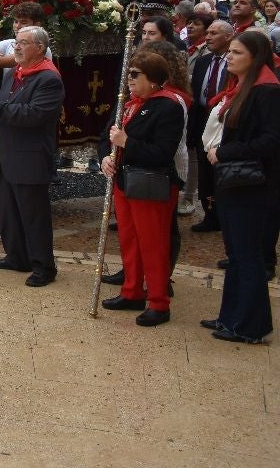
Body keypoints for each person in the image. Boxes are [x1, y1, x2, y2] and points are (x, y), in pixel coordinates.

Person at [95, 51, 187, 324]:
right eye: (128, 73)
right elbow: (105, 136)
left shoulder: (168, 105)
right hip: (124, 181)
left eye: (135, 74)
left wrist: (126, 143)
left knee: (153, 244)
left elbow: (162, 151)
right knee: (130, 240)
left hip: (151, 184)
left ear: (155, 79)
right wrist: (105, 159)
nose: (129, 79)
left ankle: (159, 302)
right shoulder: (127, 102)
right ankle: (131, 290)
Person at [203, 31, 280, 343]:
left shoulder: (267, 91)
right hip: (233, 181)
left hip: (252, 184)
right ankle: (231, 316)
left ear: (255, 57)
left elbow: (271, 140)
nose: (230, 57)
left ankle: (250, 325)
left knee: (248, 255)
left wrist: (224, 152)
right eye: (230, 52)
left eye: (236, 52)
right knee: (236, 253)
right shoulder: (240, 88)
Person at [0, 25, 65, 287]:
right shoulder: (15, 72)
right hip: (8, 153)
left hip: (30, 155)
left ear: (40, 48)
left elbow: (33, 115)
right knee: (9, 210)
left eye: (23, 43)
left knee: (33, 215)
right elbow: (6, 105)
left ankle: (43, 266)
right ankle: (16, 256)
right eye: (17, 42)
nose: (17, 47)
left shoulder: (48, 78)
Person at [189, 20, 234, 232]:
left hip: (223, 122)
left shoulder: (233, 63)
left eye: (213, 33)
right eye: (207, 33)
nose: (207, 37)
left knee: (219, 170)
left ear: (228, 37)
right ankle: (210, 214)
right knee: (205, 172)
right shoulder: (203, 61)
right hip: (202, 122)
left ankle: (225, 214)